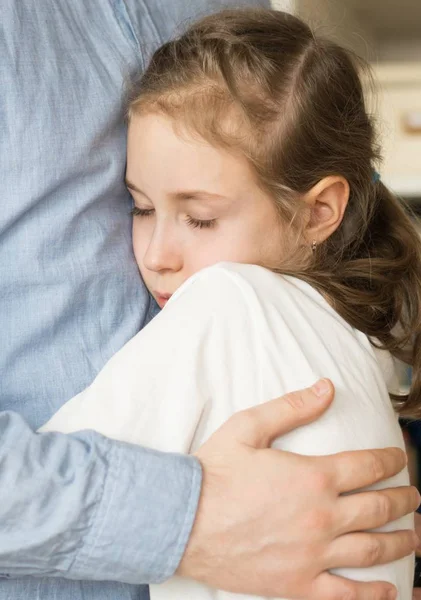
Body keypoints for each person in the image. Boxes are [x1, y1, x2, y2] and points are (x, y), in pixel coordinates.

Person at [0, 2, 418, 600]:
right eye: (140, 208)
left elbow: (60, 452)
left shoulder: (222, 303)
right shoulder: (356, 332)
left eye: (199, 218)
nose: (155, 254)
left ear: (318, 211)